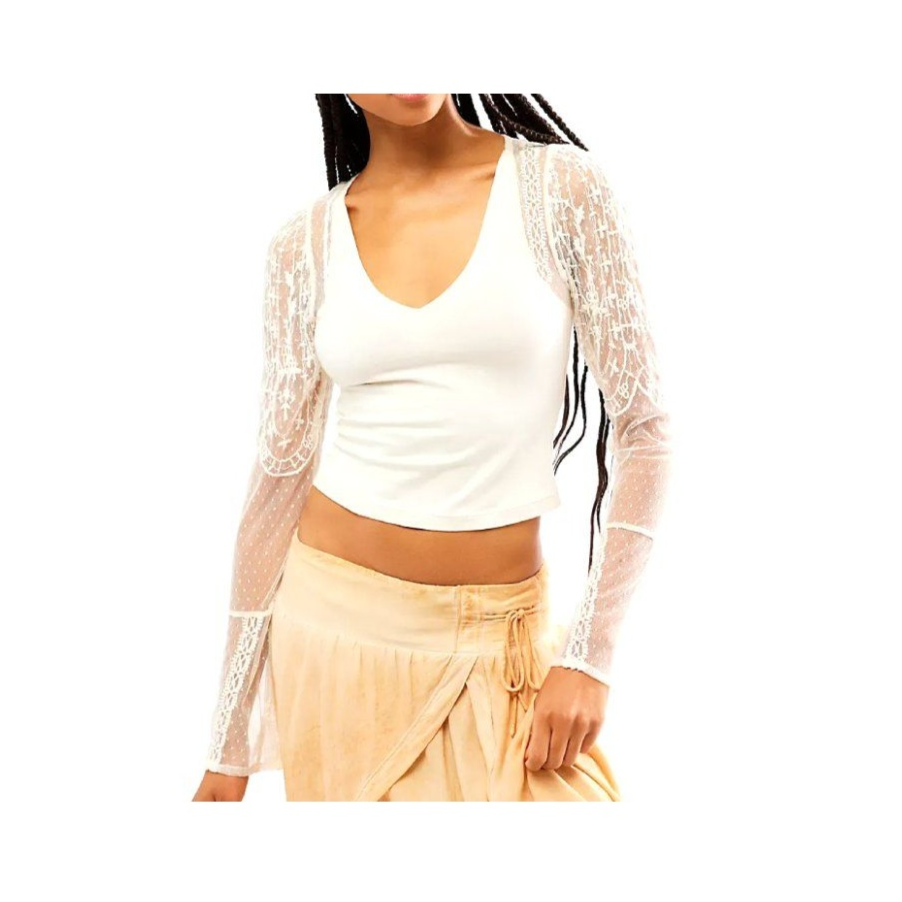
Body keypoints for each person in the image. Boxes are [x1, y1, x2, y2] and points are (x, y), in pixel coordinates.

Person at [192, 94, 673, 802]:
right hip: (333, 637)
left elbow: (645, 432)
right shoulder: (305, 244)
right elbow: (277, 481)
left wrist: (589, 656)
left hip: (502, 641)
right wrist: (229, 747)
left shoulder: (562, 191)